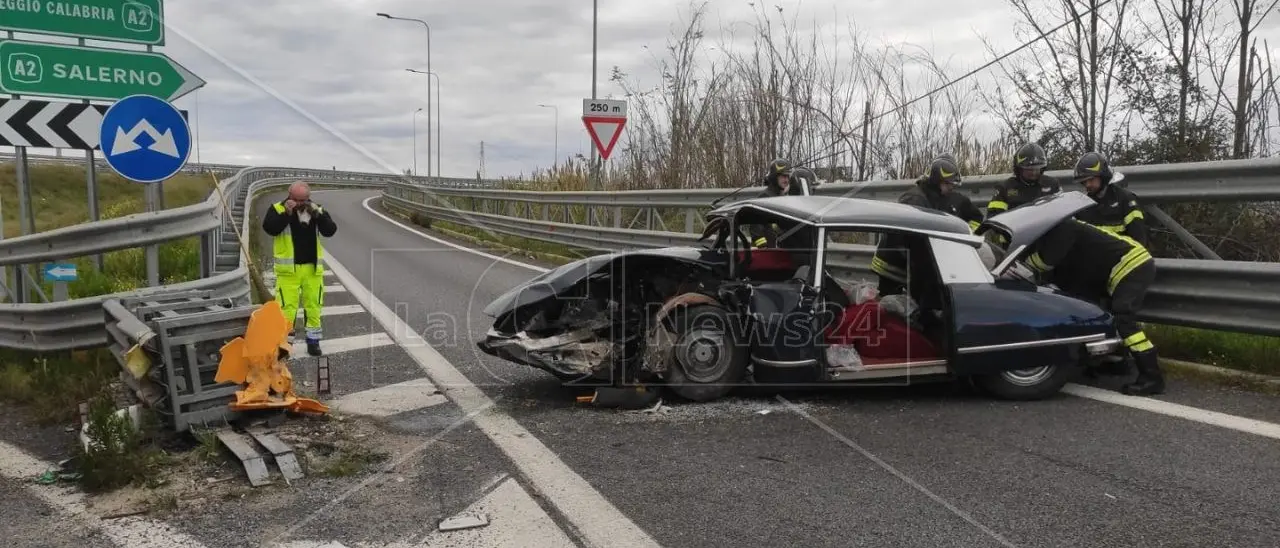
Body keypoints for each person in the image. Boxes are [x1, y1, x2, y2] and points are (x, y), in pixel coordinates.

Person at [1019, 217, 1164, 395]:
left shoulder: (1063, 227)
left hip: (1131, 265)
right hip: (1111, 269)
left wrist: (1021, 264)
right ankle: (1115, 363)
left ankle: (1152, 377)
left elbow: (1045, 261)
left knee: (1123, 318)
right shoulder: (1061, 232)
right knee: (1094, 314)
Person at [872, 155, 983, 295]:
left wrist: (965, 237)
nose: (951, 187)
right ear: (937, 181)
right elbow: (913, 241)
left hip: (910, 262)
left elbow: (975, 217)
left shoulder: (940, 198)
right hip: (893, 265)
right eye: (948, 184)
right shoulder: (914, 200)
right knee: (892, 303)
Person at [262, 181, 338, 356]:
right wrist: (287, 214)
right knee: (286, 309)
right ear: (289, 196)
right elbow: (270, 228)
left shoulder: (315, 209)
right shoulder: (277, 209)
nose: (298, 203)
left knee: (314, 306)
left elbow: (330, 230)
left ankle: (313, 341)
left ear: (308, 198)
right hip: (288, 271)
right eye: (295, 199)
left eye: (303, 200)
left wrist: (318, 215)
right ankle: (284, 344)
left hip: (311, 269)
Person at [1071, 151, 1150, 248]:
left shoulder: (1126, 200)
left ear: (1103, 177)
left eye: (1091, 180)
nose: (1088, 185)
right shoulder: (1084, 205)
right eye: (1084, 182)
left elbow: (1139, 238)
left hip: (1123, 254)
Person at [985, 142, 1061, 219]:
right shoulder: (1005, 189)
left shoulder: (1052, 184)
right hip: (1015, 225)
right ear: (1019, 169)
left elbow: (1061, 211)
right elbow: (993, 218)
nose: (1034, 173)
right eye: (1029, 169)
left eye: (1037, 169)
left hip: (1047, 224)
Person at [749, 159, 804, 248]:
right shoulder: (766, 197)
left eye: (788, 177)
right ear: (774, 177)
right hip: (766, 249)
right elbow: (756, 225)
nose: (786, 180)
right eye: (783, 176)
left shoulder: (781, 197)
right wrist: (763, 245)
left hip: (778, 247)